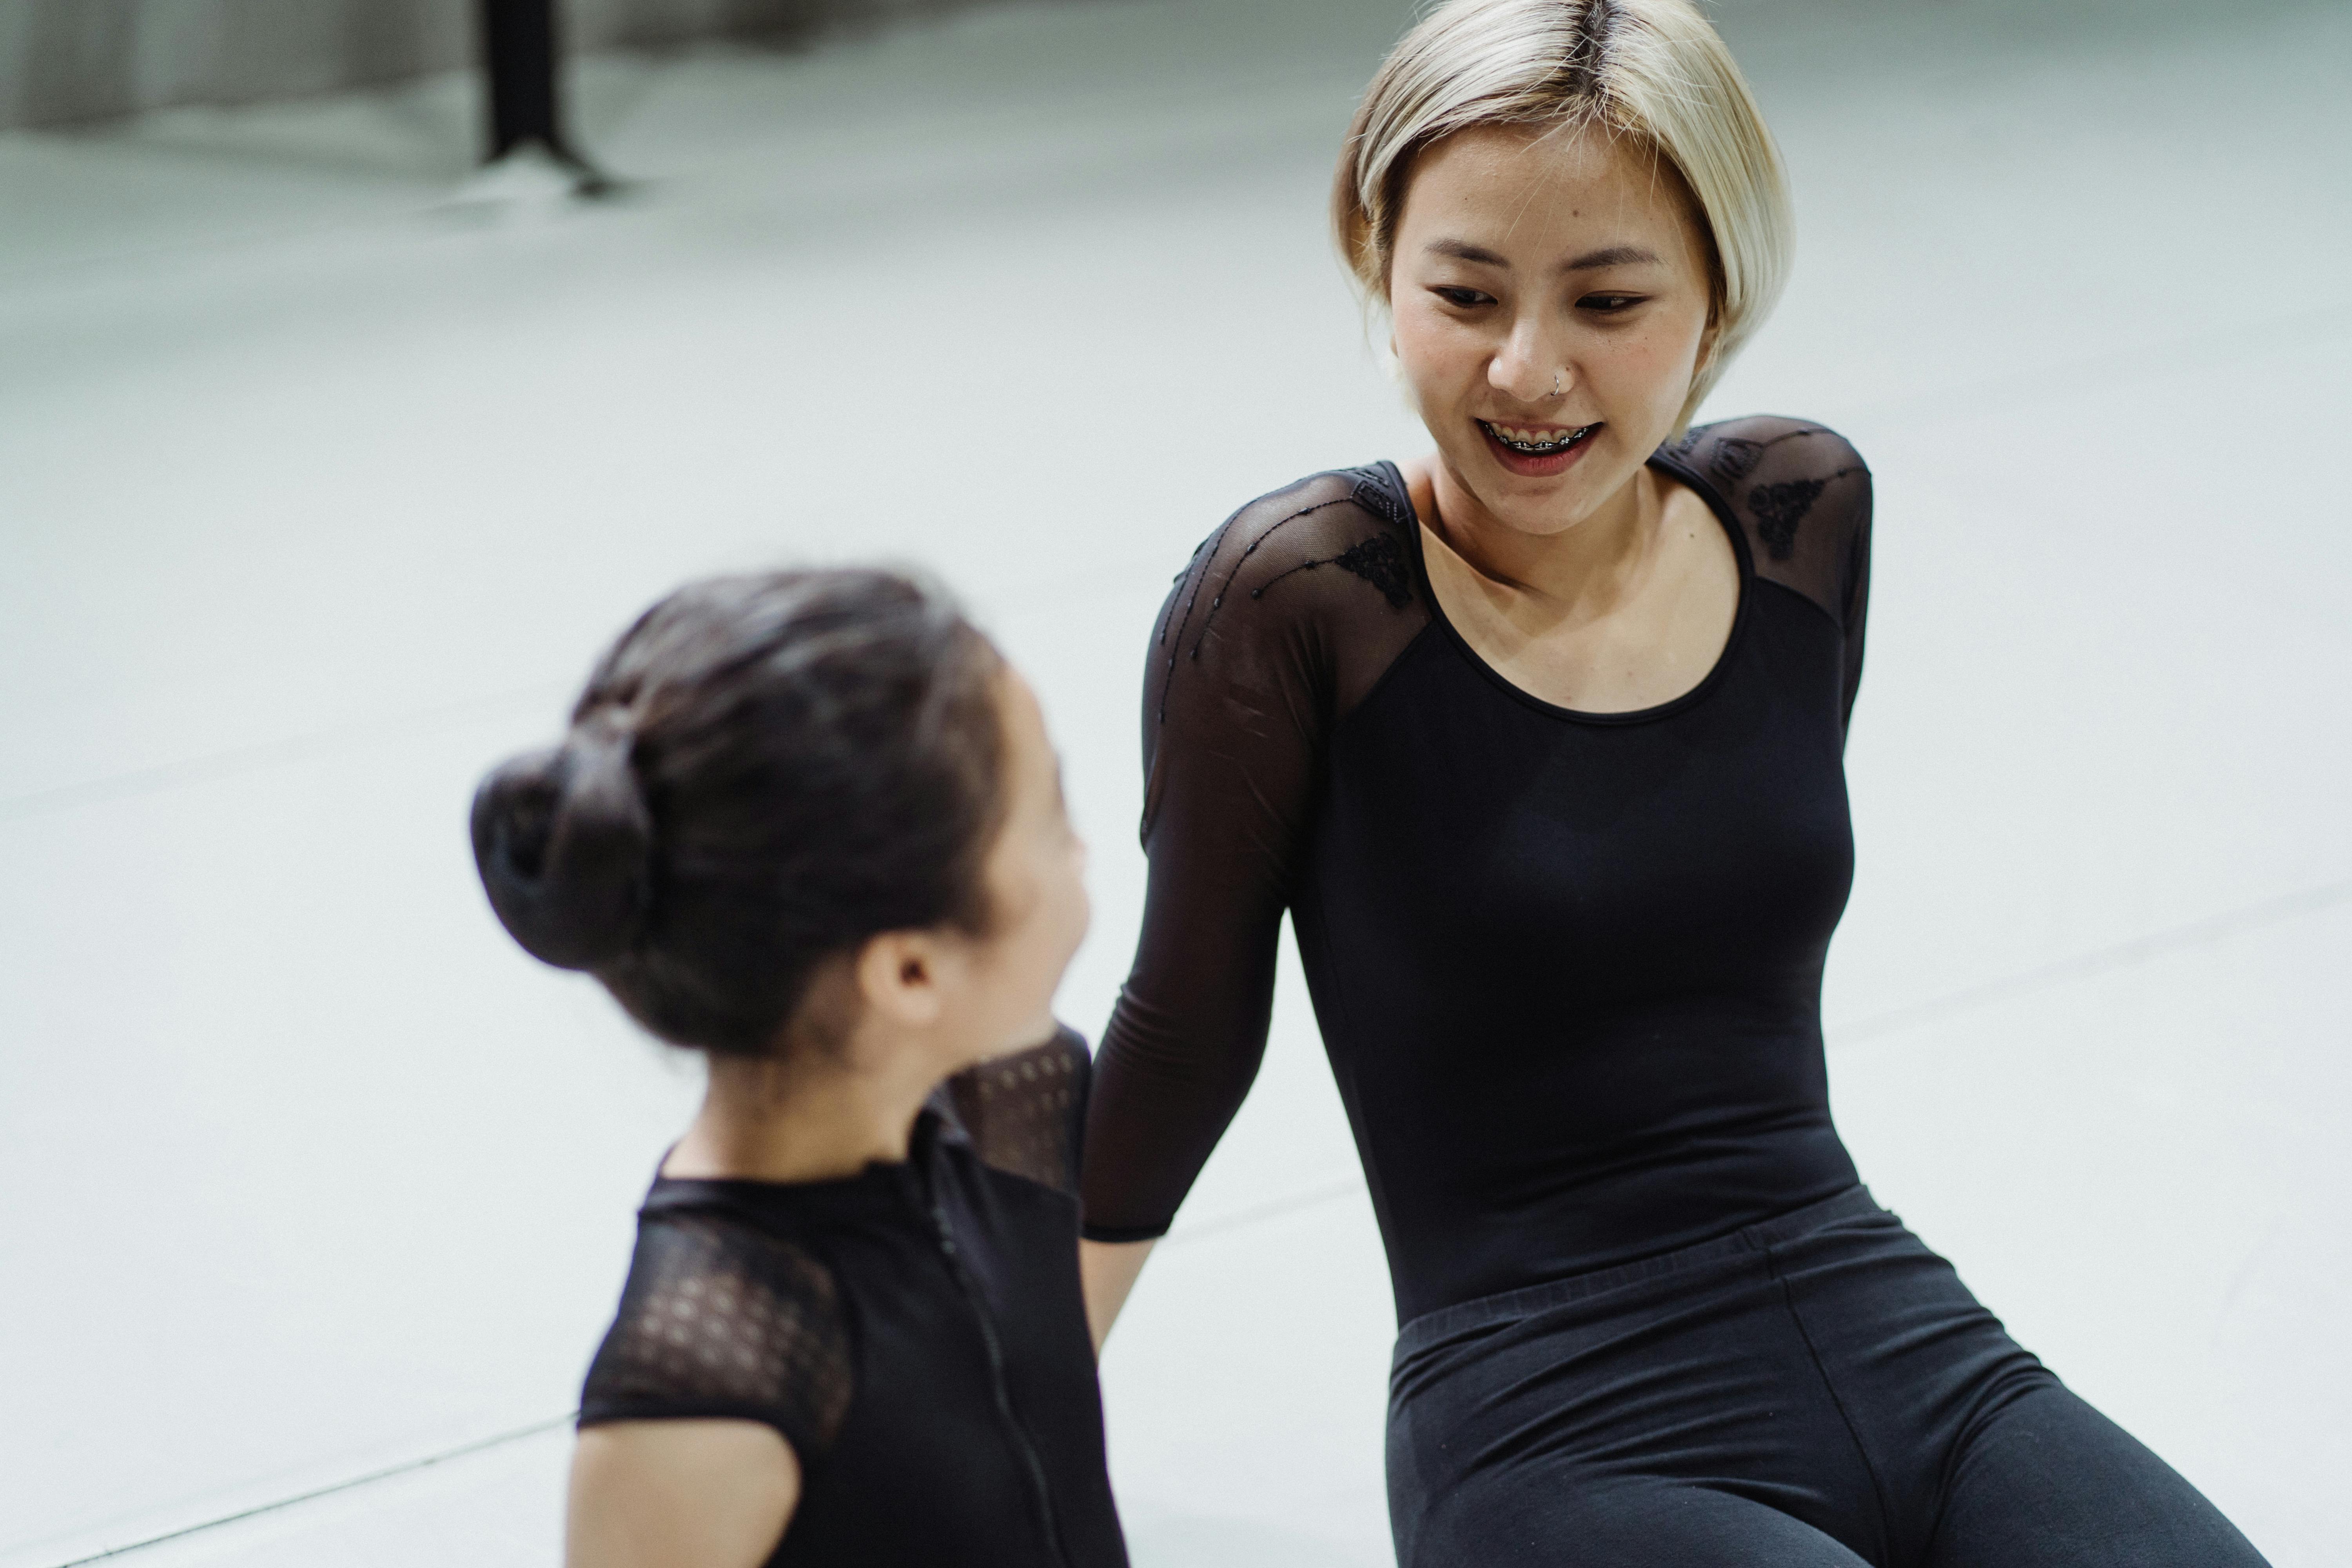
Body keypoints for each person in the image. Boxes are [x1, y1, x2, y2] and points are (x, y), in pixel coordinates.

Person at [1072, 2, 2269, 1564]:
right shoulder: (1306, 596)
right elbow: (1180, 1034)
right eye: (1465, 291)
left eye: (1609, 298)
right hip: (1542, 1412)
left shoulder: (1798, 516)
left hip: (1896, 1336)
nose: (1528, 368)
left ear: (1719, 302)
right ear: (1380, 269)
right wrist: (1003, 1403)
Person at [470, 570, 1126, 1568]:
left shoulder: (1020, 1100)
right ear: (911, 970)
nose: (1082, 848)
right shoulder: (707, 1384)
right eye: (1050, 814)